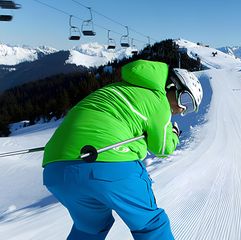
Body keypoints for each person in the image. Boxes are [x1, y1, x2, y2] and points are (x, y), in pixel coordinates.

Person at [42, 59, 203, 240]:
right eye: (185, 100)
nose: (181, 109)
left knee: (91, 226)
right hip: (106, 164)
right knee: (151, 224)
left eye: (188, 108)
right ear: (172, 86)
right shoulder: (158, 100)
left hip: (55, 170)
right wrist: (174, 134)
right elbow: (163, 148)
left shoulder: (119, 88)